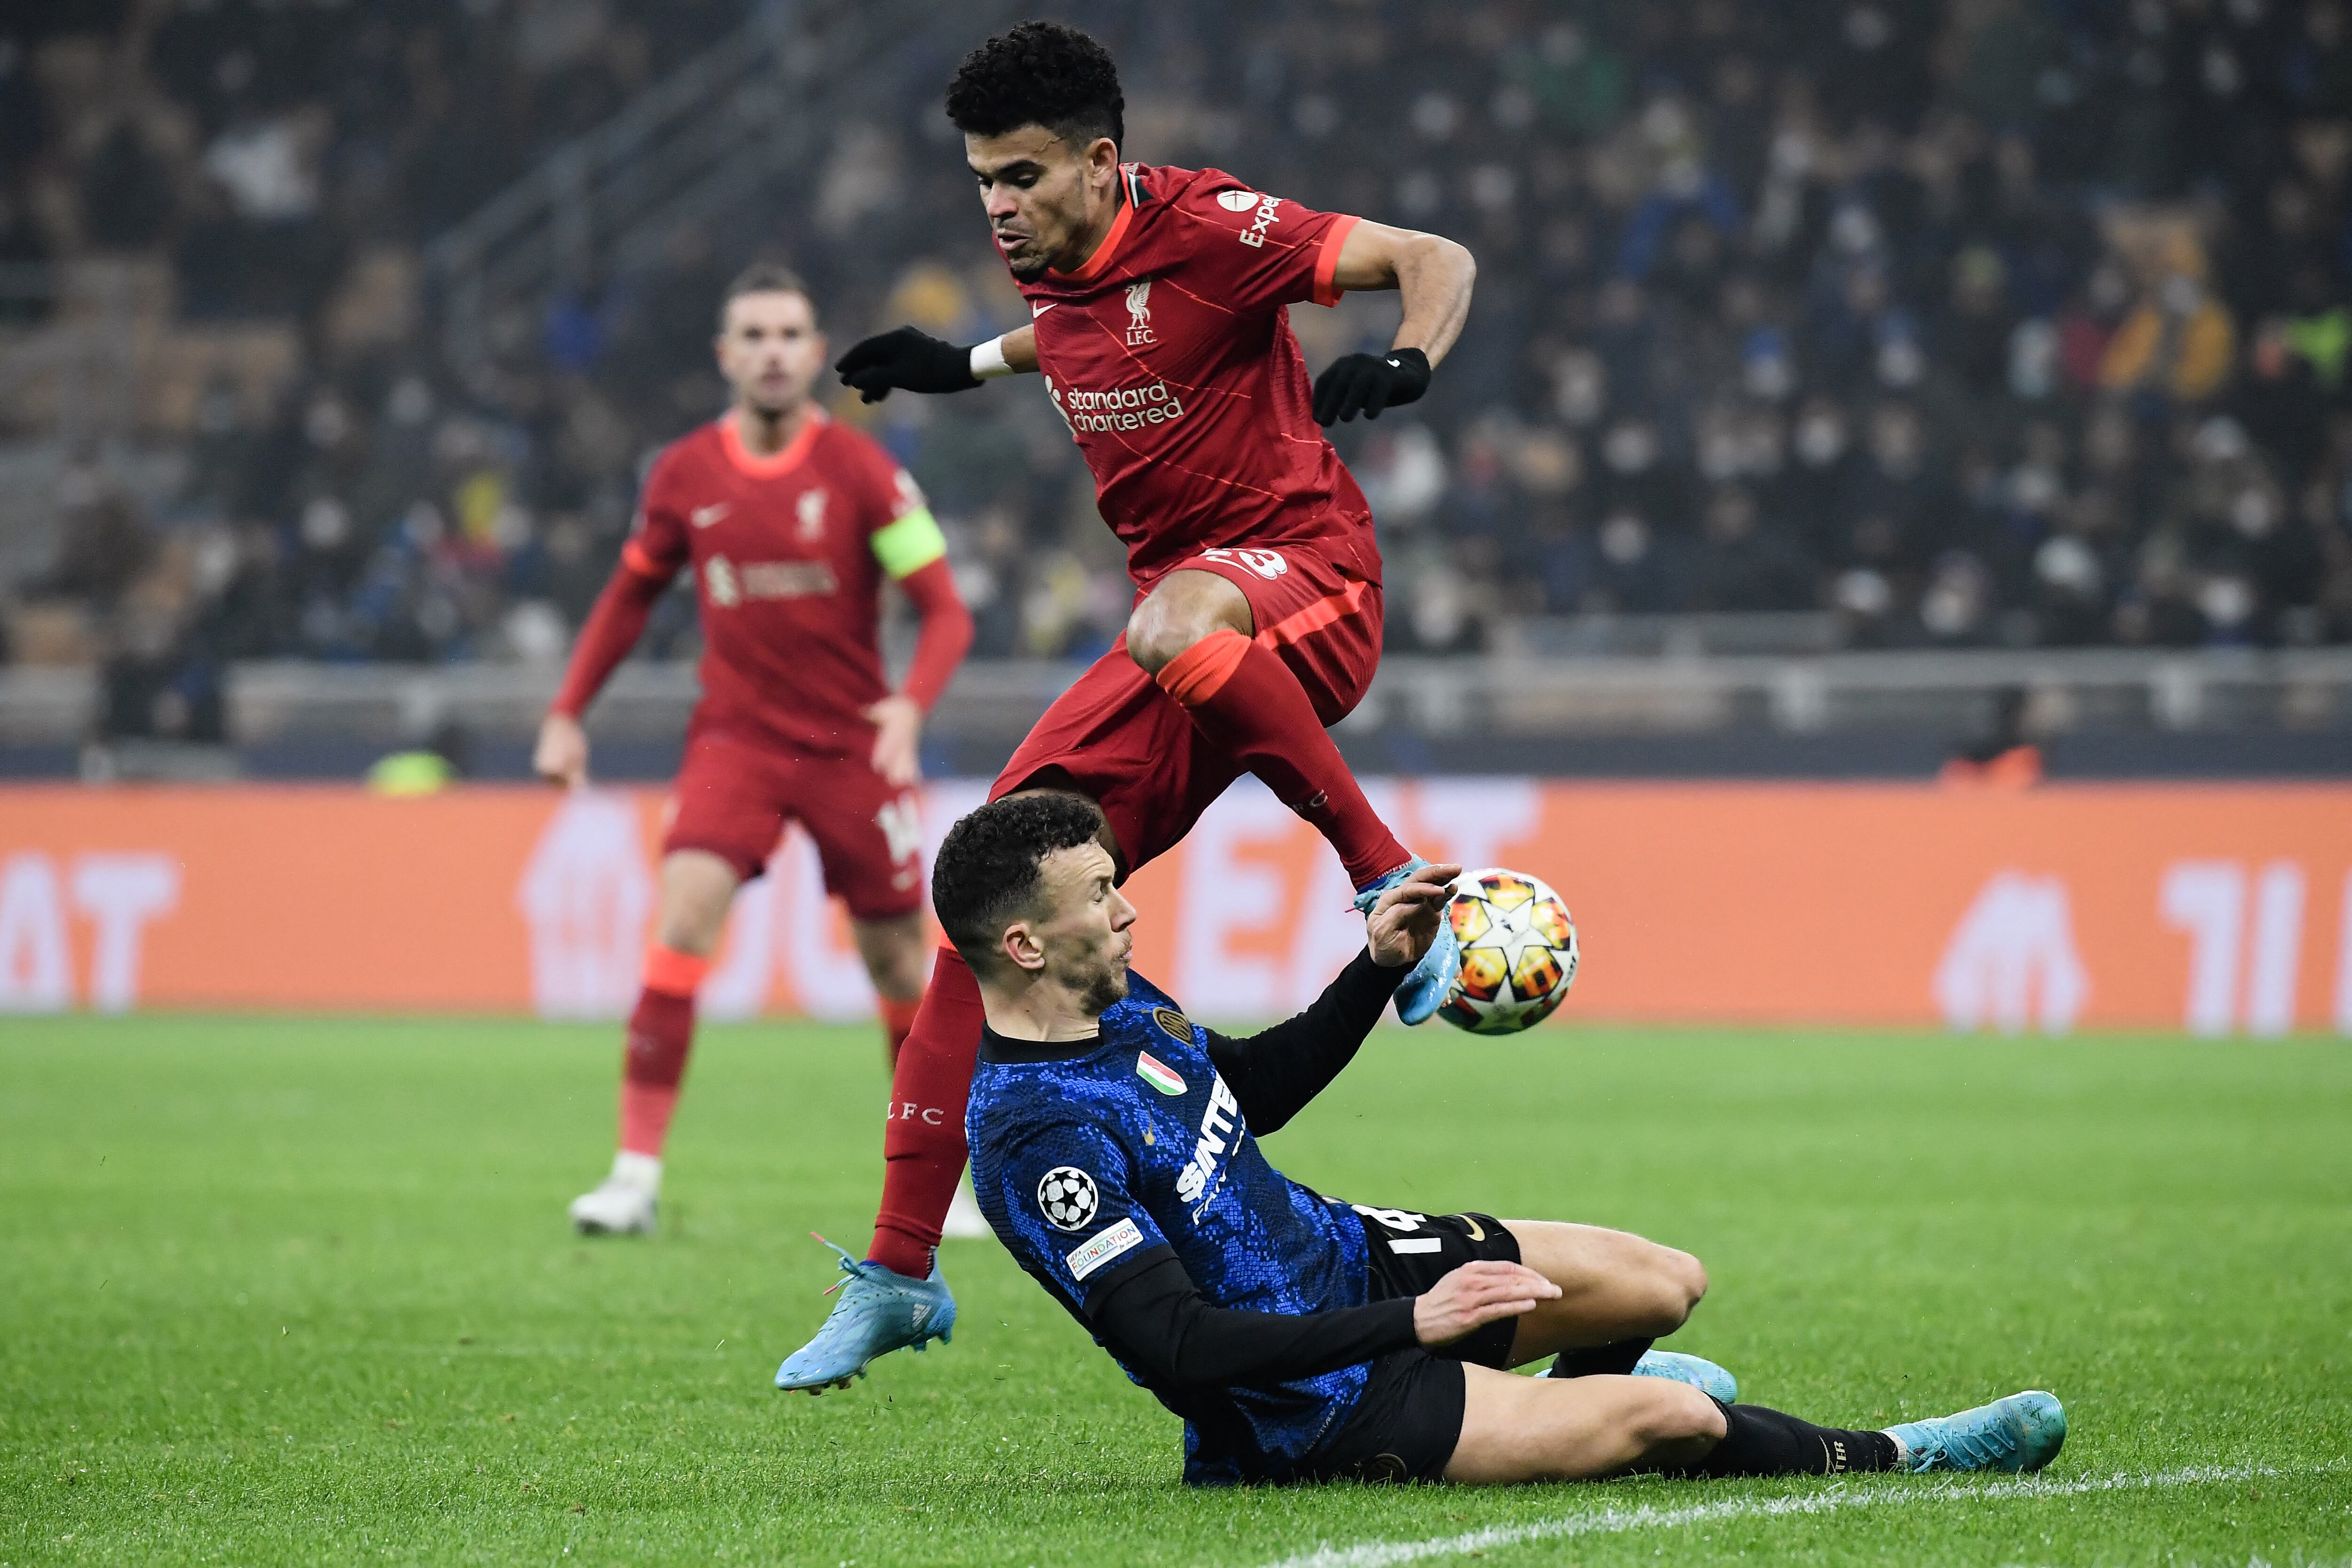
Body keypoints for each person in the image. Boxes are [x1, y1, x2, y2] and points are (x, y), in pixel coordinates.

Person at [777, 19, 1480, 1391]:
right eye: (982, 180)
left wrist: (1408, 359)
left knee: (1170, 622)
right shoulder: (1056, 267)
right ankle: (902, 1269)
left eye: (1023, 176)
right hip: (1185, 644)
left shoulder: (1213, 226)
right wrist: (958, 367)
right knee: (990, 890)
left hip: (1306, 586)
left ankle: (1384, 876)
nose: (997, 206)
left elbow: (1433, 257)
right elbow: (1082, 333)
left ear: (1101, 163)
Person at [926, 792, 2069, 1486]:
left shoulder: (1119, 999)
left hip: (1346, 1255)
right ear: (1025, 945)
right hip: (1310, 1406)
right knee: (1674, 1415)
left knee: (1663, 1283)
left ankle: (1562, 1407)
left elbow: (1253, 1092)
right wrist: (1415, 1326)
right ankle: (1907, 1451)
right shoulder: (1037, 1137)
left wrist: (1374, 969)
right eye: (1099, 892)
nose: (1126, 907)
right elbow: (1180, 1344)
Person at [539, 264, 976, 1237]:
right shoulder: (685, 473)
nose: (773, 352)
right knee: (683, 913)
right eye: (754, 335)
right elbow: (628, 598)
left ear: (815, 353)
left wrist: (907, 709)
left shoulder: (862, 472)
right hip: (735, 740)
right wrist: (568, 710)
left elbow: (946, 611)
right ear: (725, 355)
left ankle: (938, 1187)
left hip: (851, 747)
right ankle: (633, 1177)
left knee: (898, 965)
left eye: (788, 335)